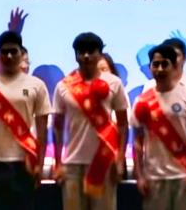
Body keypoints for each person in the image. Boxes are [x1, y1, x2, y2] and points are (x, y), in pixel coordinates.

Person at [0, 31, 50, 210]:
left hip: (24, 164)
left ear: (22, 53)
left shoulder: (37, 85)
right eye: (4, 52)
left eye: (14, 51)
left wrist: (40, 164)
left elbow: (42, 131)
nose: (9, 56)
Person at [53, 32, 129, 210]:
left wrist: (119, 160)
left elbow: (123, 125)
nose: (86, 56)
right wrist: (58, 163)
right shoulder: (63, 86)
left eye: (91, 51)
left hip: (104, 162)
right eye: (81, 52)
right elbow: (57, 127)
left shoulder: (114, 83)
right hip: (72, 164)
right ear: (76, 55)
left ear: (100, 54)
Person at [132, 44, 186, 210]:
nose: (160, 69)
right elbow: (137, 141)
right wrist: (140, 175)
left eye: (164, 64)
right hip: (154, 178)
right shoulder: (142, 101)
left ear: (174, 66)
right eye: (155, 64)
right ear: (150, 67)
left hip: (184, 175)